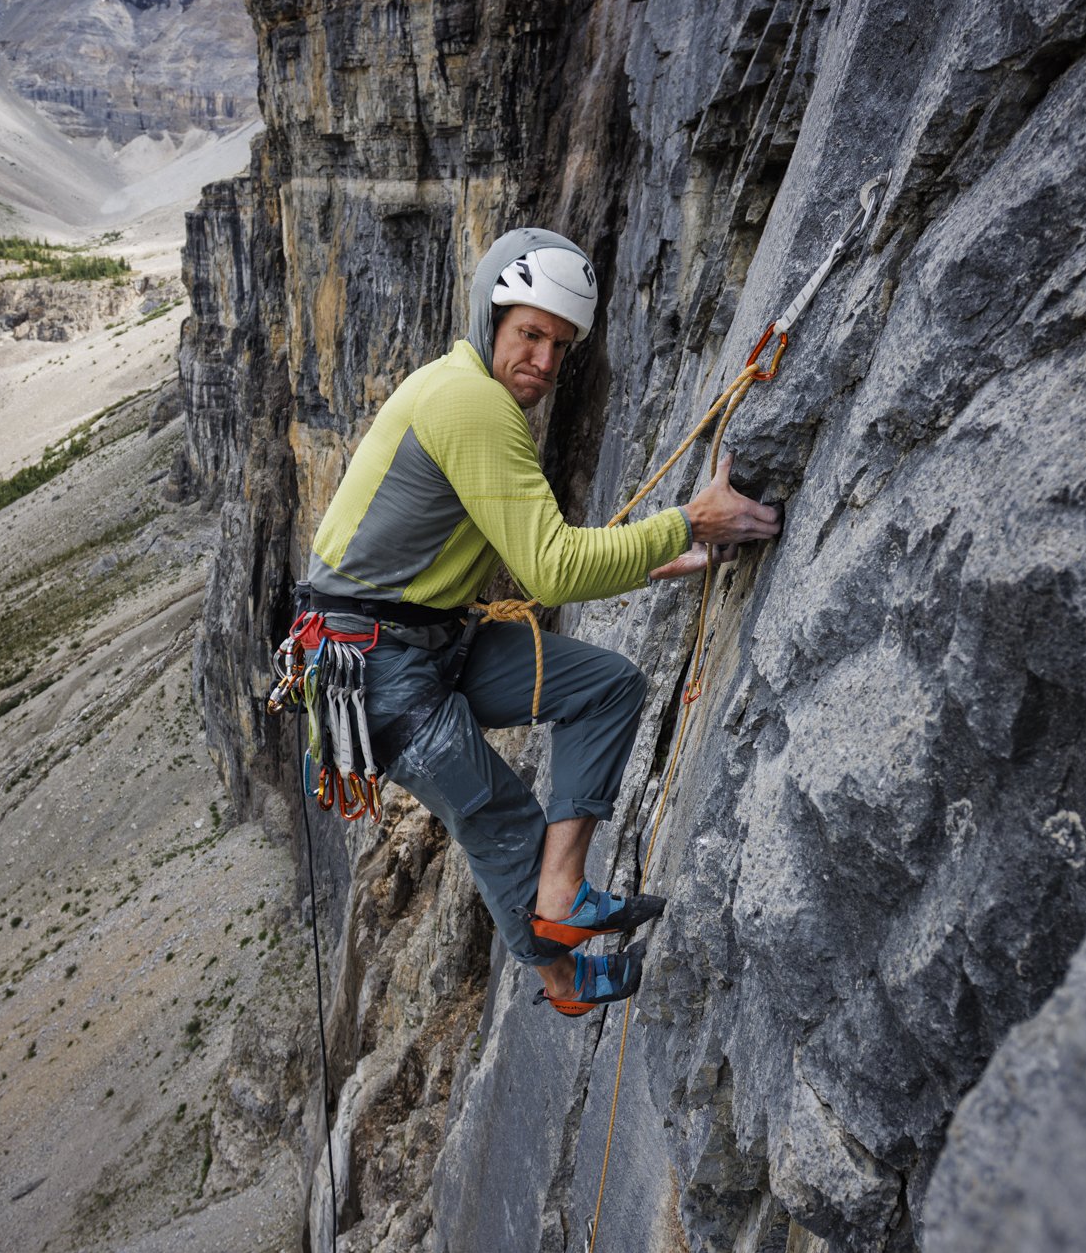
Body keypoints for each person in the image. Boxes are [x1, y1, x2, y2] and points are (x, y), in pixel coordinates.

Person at [293, 227, 781, 1014]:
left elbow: (527, 547)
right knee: (503, 817)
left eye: (561, 345)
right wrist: (688, 522)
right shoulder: (471, 403)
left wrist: (655, 555)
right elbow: (551, 568)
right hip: (378, 665)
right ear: (490, 319)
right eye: (530, 334)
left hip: (423, 643)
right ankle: (564, 976)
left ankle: (560, 902)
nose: (545, 361)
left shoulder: (466, 393)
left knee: (606, 687)